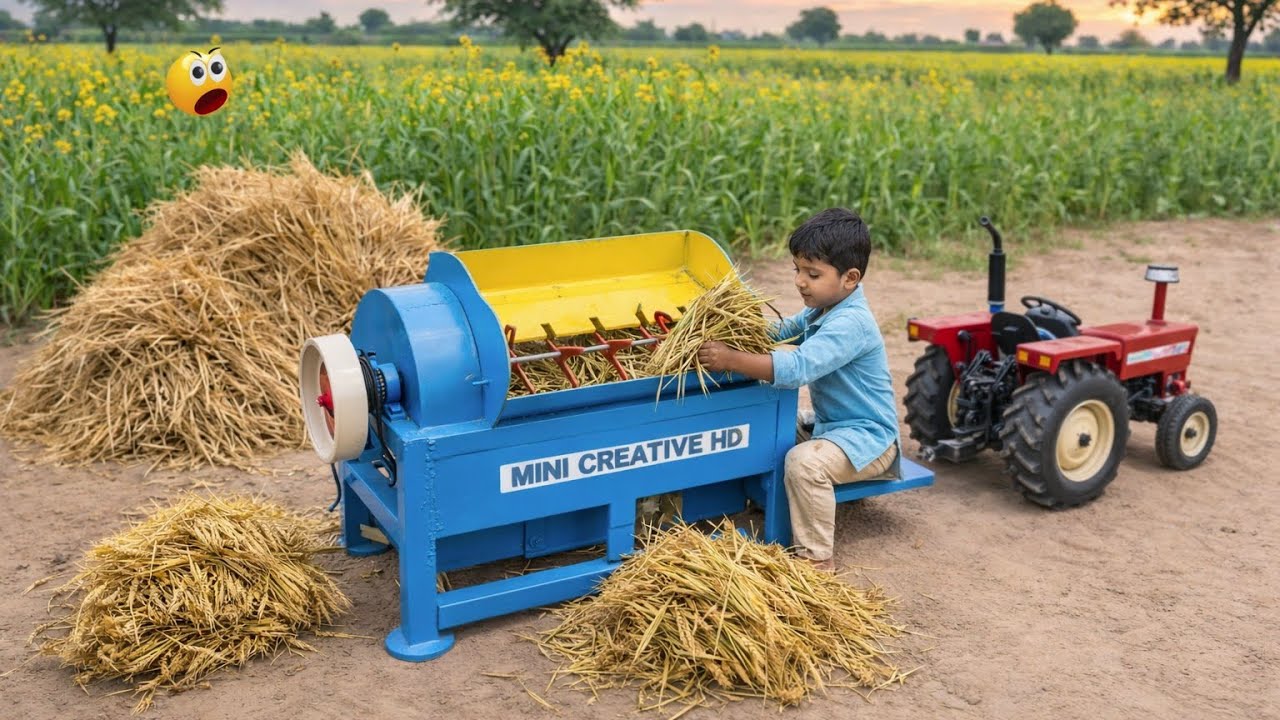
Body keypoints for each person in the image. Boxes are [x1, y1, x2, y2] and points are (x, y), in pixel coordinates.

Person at [697, 208, 899, 571]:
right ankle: (769, 500)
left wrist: (731, 358)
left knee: (803, 462)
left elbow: (797, 368)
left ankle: (816, 559)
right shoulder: (822, 309)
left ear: (850, 278)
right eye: (797, 270)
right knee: (769, 423)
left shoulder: (851, 323)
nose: (800, 282)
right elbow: (780, 332)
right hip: (832, 426)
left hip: (869, 440)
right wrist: (734, 324)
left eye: (813, 274)